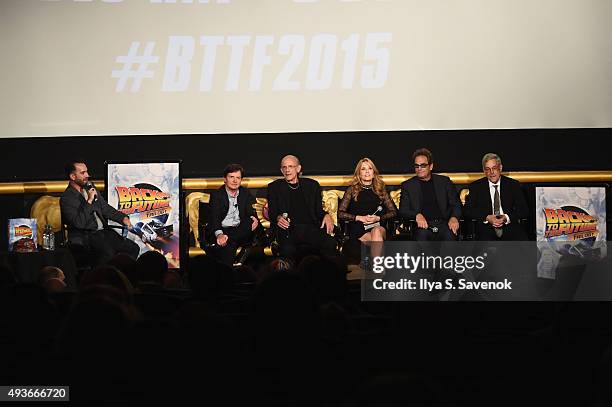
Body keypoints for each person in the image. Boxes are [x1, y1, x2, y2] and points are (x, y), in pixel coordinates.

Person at [60, 160, 140, 266]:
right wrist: (89, 201)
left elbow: (105, 209)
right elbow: (79, 223)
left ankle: (121, 276)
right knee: (108, 254)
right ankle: (105, 279)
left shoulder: (90, 188)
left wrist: (123, 218)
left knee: (133, 248)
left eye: (87, 172)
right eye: (83, 173)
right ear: (73, 176)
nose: (87, 175)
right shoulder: (67, 198)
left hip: (104, 233)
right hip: (86, 235)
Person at [267, 155, 337, 260]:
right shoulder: (274, 187)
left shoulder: (312, 185)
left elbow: (318, 211)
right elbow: (273, 212)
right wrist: (278, 218)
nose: (287, 170)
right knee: (288, 249)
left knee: (330, 243)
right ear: (281, 170)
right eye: (284, 167)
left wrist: (326, 215)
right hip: (288, 230)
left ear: (298, 168)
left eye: (290, 166)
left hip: (311, 229)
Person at [399, 148, 462, 241]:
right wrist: (416, 215)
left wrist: (454, 217)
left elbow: (456, 204)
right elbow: (403, 210)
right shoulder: (408, 185)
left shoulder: (444, 182)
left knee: (450, 236)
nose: (419, 169)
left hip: (444, 224)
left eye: (423, 165)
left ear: (431, 166)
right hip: (422, 226)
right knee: (421, 236)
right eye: (416, 166)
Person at [463, 153, 529, 240]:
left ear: (500, 168)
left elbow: (524, 210)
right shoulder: (476, 187)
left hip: (509, 226)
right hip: (486, 228)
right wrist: (487, 217)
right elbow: (467, 210)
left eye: (494, 168)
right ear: (484, 170)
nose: (491, 172)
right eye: (488, 169)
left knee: (525, 247)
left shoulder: (513, 185)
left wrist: (506, 217)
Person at [205, 164, 259, 266]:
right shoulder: (217, 195)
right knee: (230, 245)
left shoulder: (245, 193)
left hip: (240, 229)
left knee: (250, 221)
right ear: (225, 179)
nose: (235, 181)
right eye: (231, 177)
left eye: (238, 178)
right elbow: (214, 218)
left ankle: (229, 240)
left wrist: (254, 218)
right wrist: (220, 235)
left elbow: (250, 213)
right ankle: (228, 271)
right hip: (223, 229)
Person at [338, 157, 397, 244]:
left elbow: (393, 212)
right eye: (363, 169)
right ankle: (377, 257)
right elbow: (340, 213)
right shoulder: (352, 190)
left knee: (376, 232)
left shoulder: (381, 189)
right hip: (359, 228)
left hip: (378, 226)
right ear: (359, 173)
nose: (367, 171)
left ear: (373, 173)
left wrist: (379, 218)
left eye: (370, 168)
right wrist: (359, 218)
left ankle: (373, 257)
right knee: (375, 239)